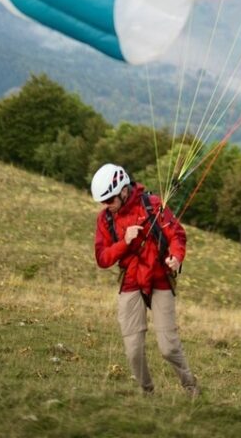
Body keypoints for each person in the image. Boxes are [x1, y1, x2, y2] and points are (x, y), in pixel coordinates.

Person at [91, 163, 199, 396]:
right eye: (103, 202)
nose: (106, 206)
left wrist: (177, 257)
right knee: (133, 351)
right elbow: (102, 258)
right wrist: (125, 242)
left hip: (159, 279)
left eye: (109, 200)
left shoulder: (152, 205)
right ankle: (147, 392)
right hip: (131, 281)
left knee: (169, 348)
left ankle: (191, 387)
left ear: (123, 190)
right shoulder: (105, 220)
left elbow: (177, 234)